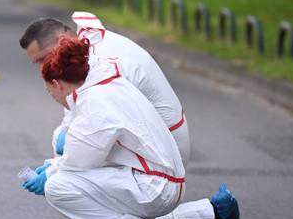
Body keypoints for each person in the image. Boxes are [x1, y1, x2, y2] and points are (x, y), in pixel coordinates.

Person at [21, 35, 242, 219]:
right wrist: (54, 165)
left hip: (154, 185)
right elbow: (89, 151)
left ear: (57, 84)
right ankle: (212, 215)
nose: (54, 98)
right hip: (159, 177)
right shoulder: (105, 81)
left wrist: (50, 173)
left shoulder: (95, 101)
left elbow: (79, 161)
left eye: (49, 92)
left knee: (58, 189)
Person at [20, 12, 190, 164]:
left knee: (65, 183)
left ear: (62, 40)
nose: (42, 69)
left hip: (164, 150)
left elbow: (101, 121)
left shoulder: (99, 59)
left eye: (43, 59)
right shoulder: (86, 50)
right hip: (155, 141)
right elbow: (75, 113)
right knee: (65, 143)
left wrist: (57, 169)